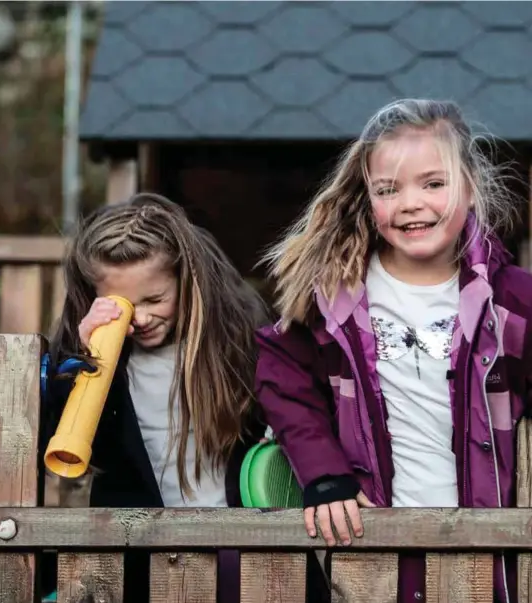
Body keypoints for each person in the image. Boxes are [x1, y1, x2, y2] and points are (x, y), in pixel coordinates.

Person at [255, 98, 529, 603]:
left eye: (433, 183)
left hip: (484, 546)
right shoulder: (334, 299)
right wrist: (325, 475)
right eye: (388, 189)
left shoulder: (511, 301)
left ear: (469, 189)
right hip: (372, 552)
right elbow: (282, 378)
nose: (410, 203)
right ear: (367, 198)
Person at [43, 193, 271, 603]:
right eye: (125, 305)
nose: (142, 318)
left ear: (186, 281)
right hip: (140, 545)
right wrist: (84, 360)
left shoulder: (236, 344)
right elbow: (60, 436)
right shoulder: (97, 356)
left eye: (155, 299)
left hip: (233, 537)